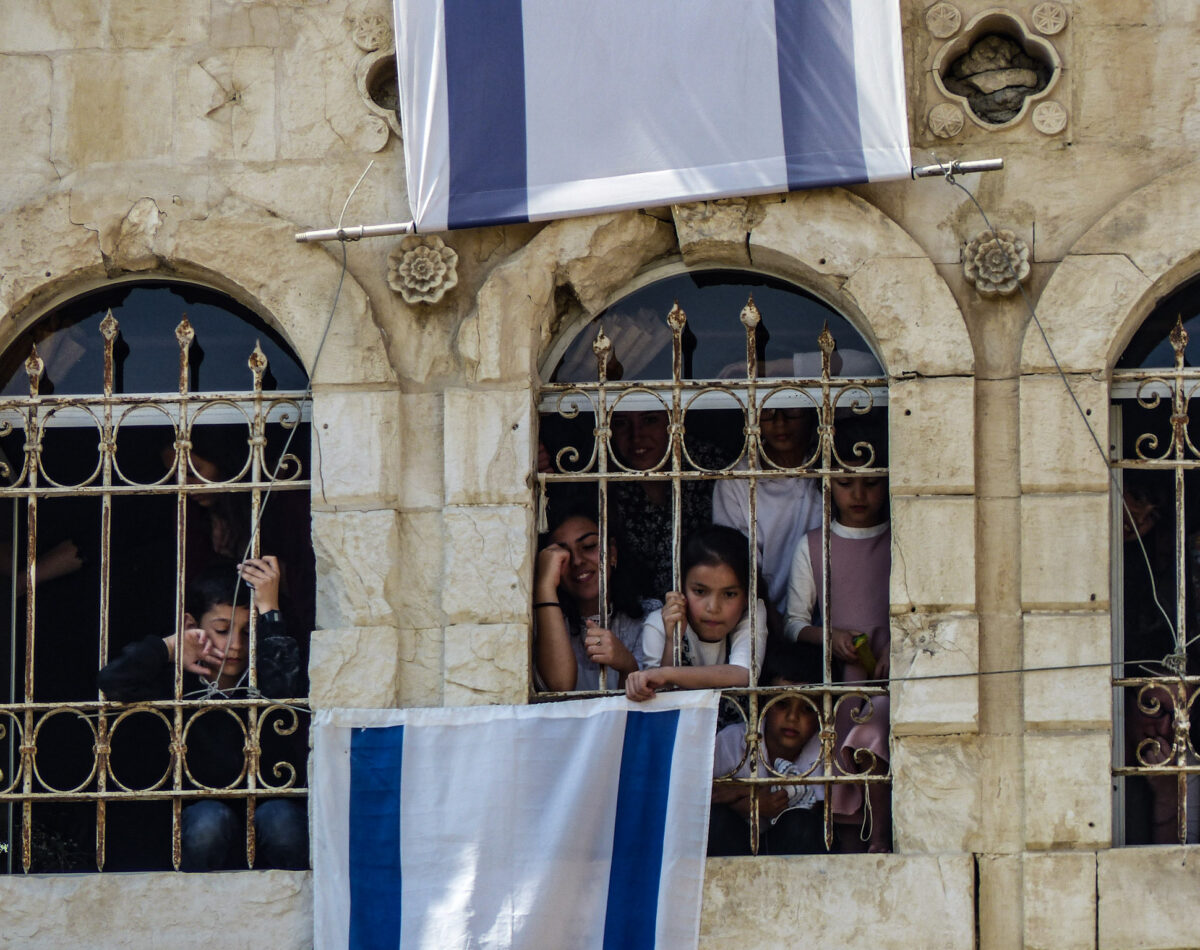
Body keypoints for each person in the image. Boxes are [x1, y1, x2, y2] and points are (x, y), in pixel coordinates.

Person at [97, 556, 307, 871]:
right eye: (222, 630)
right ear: (192, 625)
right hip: (196, 822)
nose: (236, 645)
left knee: (282, 820)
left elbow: (285, 695)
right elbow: (111, 682)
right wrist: (169, 647)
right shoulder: (172, 682)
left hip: (266, 814)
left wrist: (270, 612)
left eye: (249, 632)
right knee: (209, 821)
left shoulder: (265, 677)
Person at [785, 472, 892, 852]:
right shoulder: (814, 545)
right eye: (846, 484)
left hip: (894, 677)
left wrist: (898, 645)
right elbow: (794, 624)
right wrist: (829, 637)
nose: (859, 495)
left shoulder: (900, 539)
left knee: (876, 731)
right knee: (845, 785)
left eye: (871, 483)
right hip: (844, 682)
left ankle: (881, 839)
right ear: (828, 486)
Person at [626, 524, 769, 701]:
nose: (713, 607)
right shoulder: (659, 623)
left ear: (747, 595)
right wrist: (672, 640)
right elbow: (658, 700)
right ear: (681, 588)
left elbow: (742, 673)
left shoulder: (751, 611)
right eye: (700, 592)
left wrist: (666, 673)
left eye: (729, 594)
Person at [708, 644, 827, 855]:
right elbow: (706, 797)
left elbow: (818, 809)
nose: (792, 718)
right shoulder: (733, 741)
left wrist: (738, 792)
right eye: (782, 704)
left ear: (822, 715)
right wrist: (750, 804)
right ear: (763, 702)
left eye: (807, 708)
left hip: (788, 844)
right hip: (736, 841)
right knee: (716, 820)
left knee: (803, 825)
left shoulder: (822, 749)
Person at [533, 504, 658, 691]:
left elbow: (646, 706)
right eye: (563, 554)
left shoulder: (648, 617)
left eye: (589, 546)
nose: (577, 561)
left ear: (613, 553)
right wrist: (545, 585)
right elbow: (560, 687)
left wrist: (626, 665)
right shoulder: (542, 622)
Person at [712, 406, 821, 621]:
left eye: (791, 409)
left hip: (824, 621)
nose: (780, 422)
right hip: (756, 619)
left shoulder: (827, 472)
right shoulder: (737, 481)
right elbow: (737, 563)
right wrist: (768, 619)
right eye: (767, 412)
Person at [608, 409, 723, 600]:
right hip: (632, 615)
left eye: (650, 420)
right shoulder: (607, 481)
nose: (636, 436)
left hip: (708, 611)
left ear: (675, 421)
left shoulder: (708, 467)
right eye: (621, 424)